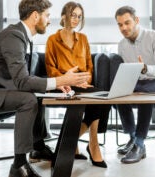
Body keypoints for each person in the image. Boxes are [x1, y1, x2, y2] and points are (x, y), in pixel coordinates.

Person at [0, 0, 91, 176]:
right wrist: (59, 80)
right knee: (28, 99)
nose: (49, 20)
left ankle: (38, 146)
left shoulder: (22, 35)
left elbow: (24, 79)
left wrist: (57, 82)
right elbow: (22, 82)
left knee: (39, 92)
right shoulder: (14, 36)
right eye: (47, 15)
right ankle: (18, 165)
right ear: (35, 16)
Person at [45, 1, 110, 168]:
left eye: (79, 17)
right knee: (99, 99)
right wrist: (67, 79)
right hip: (63, 84)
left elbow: (89, 65)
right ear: (64, 16)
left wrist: (84, 81)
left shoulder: (83, 39)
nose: (76, 19)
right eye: (73, 15)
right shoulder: (53, 40)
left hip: (82, 84)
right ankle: (90, 146)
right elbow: (51, 69)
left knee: (103, 97)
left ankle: (74, 144)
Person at [114, 6, 155, 164]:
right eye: (120, 25)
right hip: (138, 82)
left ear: (137, 20)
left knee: (143, 93)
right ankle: (133, 138)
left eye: (127, 23)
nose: (124, 28)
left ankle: (139, 144)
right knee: (118, 92)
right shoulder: (122, 45)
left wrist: (146, 68)